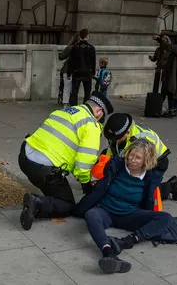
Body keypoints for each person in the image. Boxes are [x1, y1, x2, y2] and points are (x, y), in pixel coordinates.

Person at [74, 139, 174, 274]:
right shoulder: (116, 166)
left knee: (165, 218)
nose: (132, 160)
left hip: (130, 214)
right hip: (106, 211)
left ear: (146, 160)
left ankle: (125, 242)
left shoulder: (150, 177)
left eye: (138, 158)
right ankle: (108, 252)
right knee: (91, 214)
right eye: (131, 155)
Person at [18, 92, 114, 230]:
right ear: (99, 111)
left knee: (54, 192)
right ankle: (37, 203)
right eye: (102, 117)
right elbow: (84, 164)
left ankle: (46, 198)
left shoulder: (63, 111)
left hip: (24, 158)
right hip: (44, 170)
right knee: (67, 205)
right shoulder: (90, 124)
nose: (100, 121)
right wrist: (86, 183)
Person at [102, 113, 177, 201]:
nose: (114, 140)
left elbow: (138, 166)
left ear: (127, 133)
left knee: (140, 193)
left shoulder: (140, 140)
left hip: (156, 163)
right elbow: (111, 154)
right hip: (138, 161)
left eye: (117, 138)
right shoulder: (118, 133)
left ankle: (170, 186)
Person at [155, 32, 177, 118]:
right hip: (173, 74)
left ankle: (170, 110)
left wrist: (160, 40)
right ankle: (167, 109)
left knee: (170, 91)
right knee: (168, 91)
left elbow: (169, 47)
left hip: (175, 75)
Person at [68, 29, 96, 106]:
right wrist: (93, 72)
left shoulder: (75, 47)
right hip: (87, 72)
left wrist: (69, 73)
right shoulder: (91, 48)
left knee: (74, 92)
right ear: (87, 36)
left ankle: (73, 108)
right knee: (87, 92)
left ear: (80, 37)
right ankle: (85, 108)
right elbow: (93, 62)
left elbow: (71, 61)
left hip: (77, 72)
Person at [58, 33, 80, 108]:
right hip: (78, 71)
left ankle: (65, 105)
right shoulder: (82, 48)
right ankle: (73, 105)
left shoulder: (70, 47)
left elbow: (61, 56)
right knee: (75, 89)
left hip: (68, 70)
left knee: (66, 88)